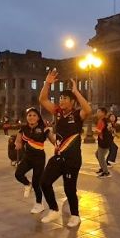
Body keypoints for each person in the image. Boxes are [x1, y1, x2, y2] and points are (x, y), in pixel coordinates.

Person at [38, 69, 91, 227]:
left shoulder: (77, 116)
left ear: (72, 101)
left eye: (65, 98)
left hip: (73, 160)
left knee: (69, 189)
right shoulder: (58, 112)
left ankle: (75, 215)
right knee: (44, 182)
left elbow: (88, 110)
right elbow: (42, 99)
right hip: (59, 156)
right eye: (60, 98)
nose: (61, 100)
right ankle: (54, 210)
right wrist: (47, 83)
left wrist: (76, 91)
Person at [14, 108, 56, 214]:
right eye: (29, 115)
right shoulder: (23, 129)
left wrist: (60, 147)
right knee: (18, 174)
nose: (31, 117)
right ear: (26, 117)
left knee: (37, 182)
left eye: (34, 115)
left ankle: (39, 204)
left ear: (38, 118)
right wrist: (17, 143)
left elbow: (53, 141)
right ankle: (28, 184)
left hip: (39, 158)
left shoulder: (44, 128)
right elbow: (18, 139)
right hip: (27, 157)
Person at [93, 108, 112, 178]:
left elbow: (98, 131)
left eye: (98, 112)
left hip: (103, 142)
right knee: (97, 154)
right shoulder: (107, 120)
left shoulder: (101, 121)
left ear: (103, 113)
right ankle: (103, 168)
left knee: (101, 157)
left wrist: (93, 132)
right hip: (107, 141)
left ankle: (106, 172)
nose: (97, 113)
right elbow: (110, 130)